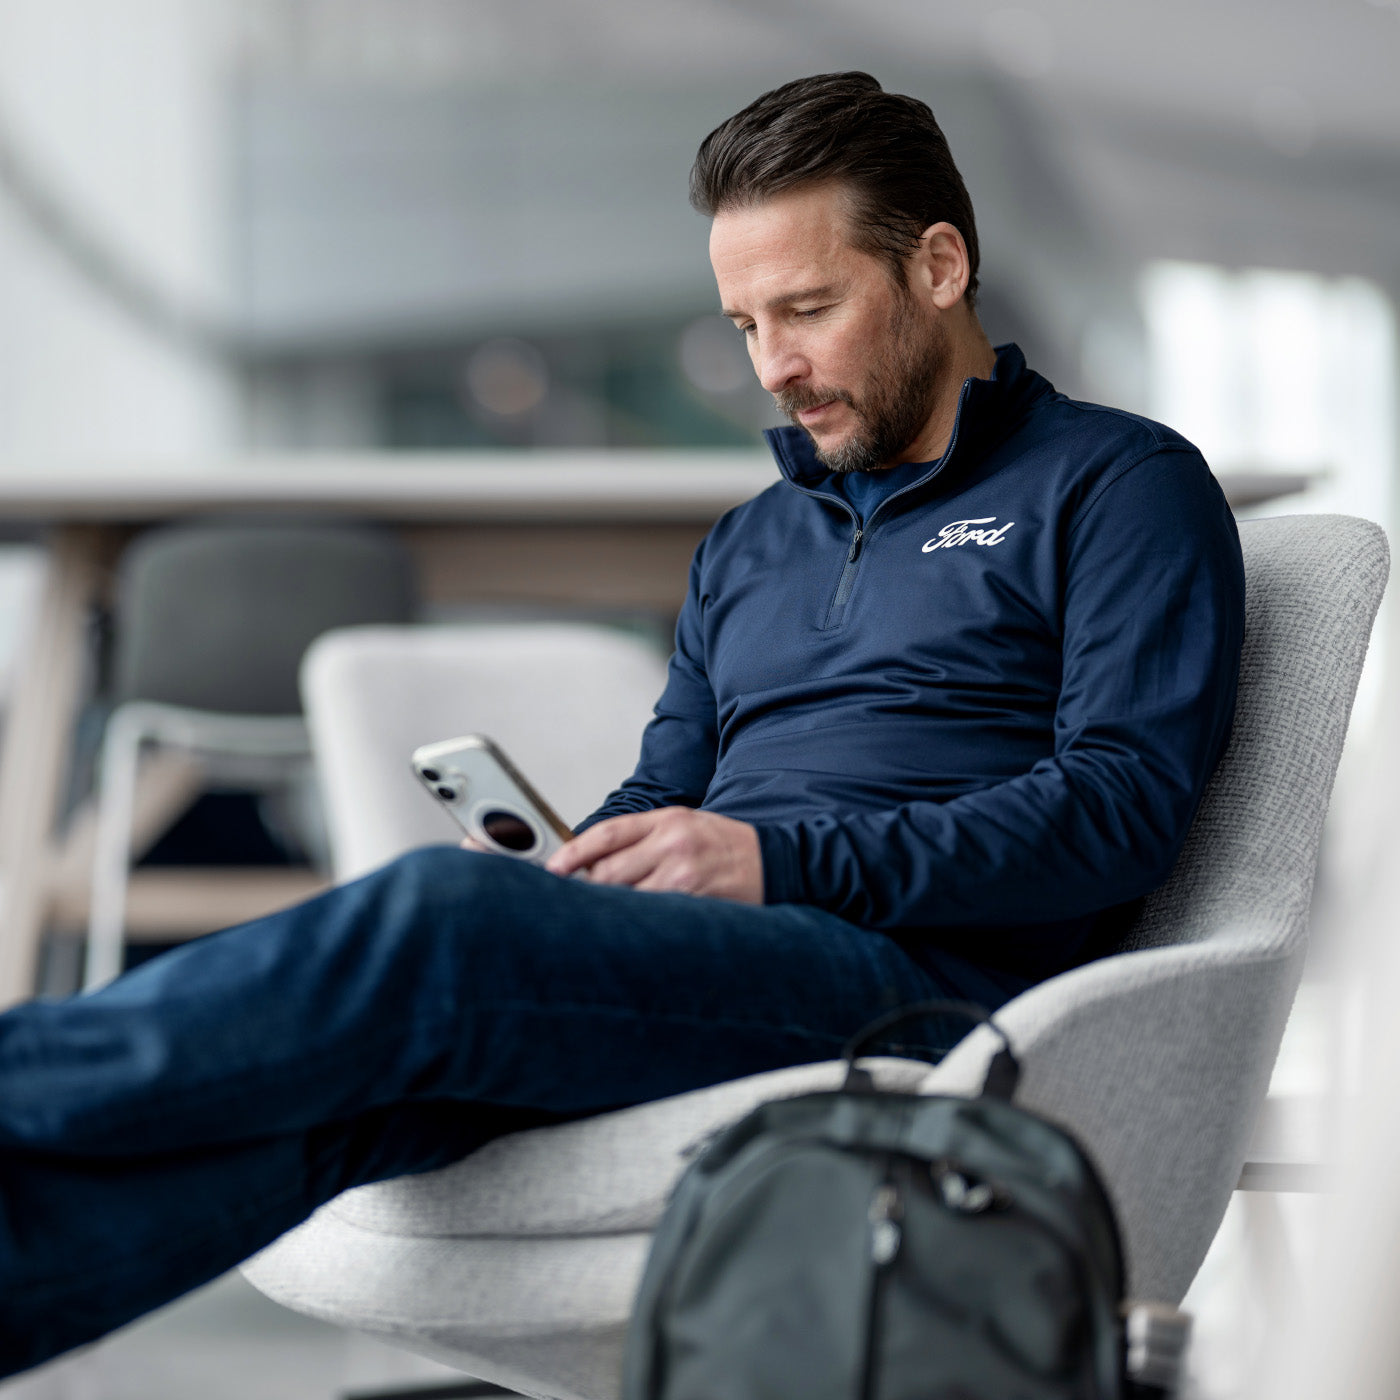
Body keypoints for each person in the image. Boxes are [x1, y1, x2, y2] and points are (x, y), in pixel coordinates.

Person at [0, 71, 1243, 1374]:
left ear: (939, 264)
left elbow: (1119, 809)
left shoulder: (1121, 486)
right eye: (747, 322)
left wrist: (777, 863)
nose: (775, 366)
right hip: (725, 956)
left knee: (434, 927)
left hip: (931, 993)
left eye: (809, 308)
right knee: (376, 1094)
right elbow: (667, 783)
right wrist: (584, 865)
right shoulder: (751, 543)